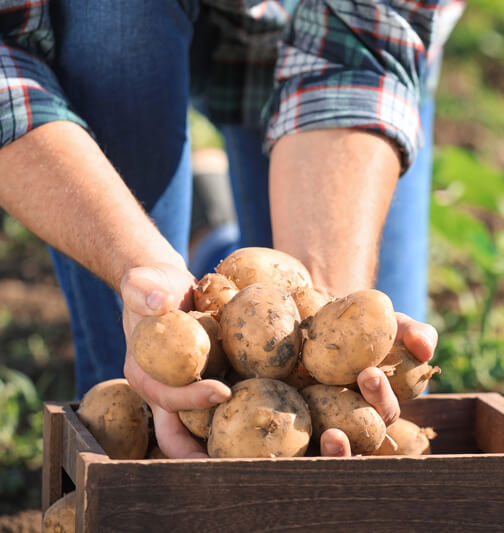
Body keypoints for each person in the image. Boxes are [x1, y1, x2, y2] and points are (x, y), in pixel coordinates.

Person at [0, 1, 463, 457]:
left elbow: (361, 48)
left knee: (392, 384)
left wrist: (326, 295)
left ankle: (210, 232)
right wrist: (140, 268)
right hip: (130, 30)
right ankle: (196, 242)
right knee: (144, 398)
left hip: (333, 37)